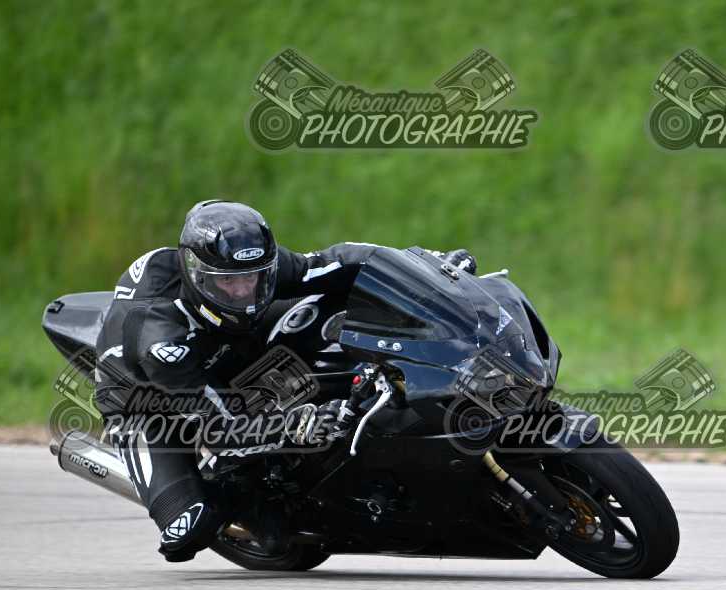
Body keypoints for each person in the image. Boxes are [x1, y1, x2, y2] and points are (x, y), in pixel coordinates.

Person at [93, 199, 474, 562]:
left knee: (333, 307)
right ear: (198, 277)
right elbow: (217, 427)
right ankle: (233, 483)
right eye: (229, 284)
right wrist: (293, 425)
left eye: (253, 278)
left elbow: (336, 262)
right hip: (150, 399)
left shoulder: (258, 270)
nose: (244, 292)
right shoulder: (161, 338)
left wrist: (428, 268)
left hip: (227, 342)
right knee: (191, 528)